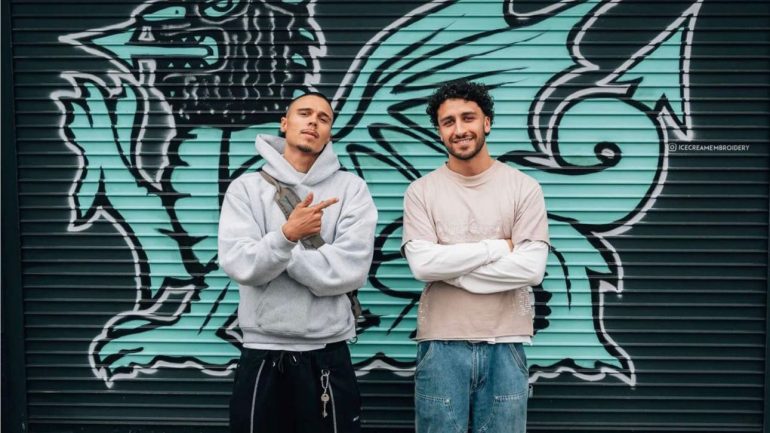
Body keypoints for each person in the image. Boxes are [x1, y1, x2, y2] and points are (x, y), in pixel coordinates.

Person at [218, 92, 377, 433]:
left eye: (323, 118)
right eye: (304, 113)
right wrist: (287, 236)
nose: (313, 122)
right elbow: (240, 264)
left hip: (326, 352)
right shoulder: (245, 189)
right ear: (285, 123)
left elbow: (349, 270)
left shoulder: (352, 190)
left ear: (330, 132)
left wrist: (277, 250)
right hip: (261, 351)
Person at [401, 80, 550, 433]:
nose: (459, 129)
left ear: (487, 122)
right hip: (440, 346)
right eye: (447, 122)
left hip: (506, 346)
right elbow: (423, 265)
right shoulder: (421, 192)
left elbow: (531, 268)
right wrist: (498, 248)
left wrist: (447, 265)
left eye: (468, 117)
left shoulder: (523, 188)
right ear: (439, 131)